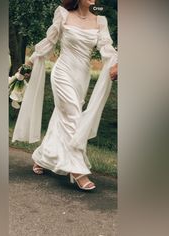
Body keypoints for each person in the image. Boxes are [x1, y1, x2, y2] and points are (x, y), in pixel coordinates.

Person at [12, 0, 118, 191]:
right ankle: (77, 170)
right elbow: (49, 42)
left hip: (82, 78)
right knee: (73, 117)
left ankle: (42, 157)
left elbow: (107, 50)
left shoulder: (101, 21)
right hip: (62, 73)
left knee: (63, 117)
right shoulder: (63, 14)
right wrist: (29, 63)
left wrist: (116, 64)